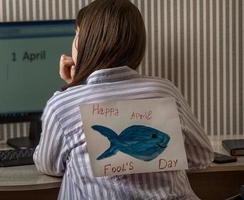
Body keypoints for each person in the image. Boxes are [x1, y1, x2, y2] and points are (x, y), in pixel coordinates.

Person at [33, 0, 214, 199]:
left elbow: (49, 165)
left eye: (76, 35)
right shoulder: (165, 91)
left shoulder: (63, 104)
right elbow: (201, 156)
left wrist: (73, 89)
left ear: (86, 43)